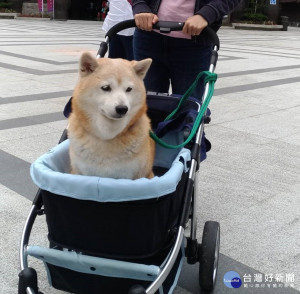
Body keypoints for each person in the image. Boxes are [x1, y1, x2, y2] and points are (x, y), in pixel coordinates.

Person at [132, 0, 242, 99]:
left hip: (195, 43)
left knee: (188, 108)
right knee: (146, 106)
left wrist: (207, 14)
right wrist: (140, 6)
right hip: (148, 37)